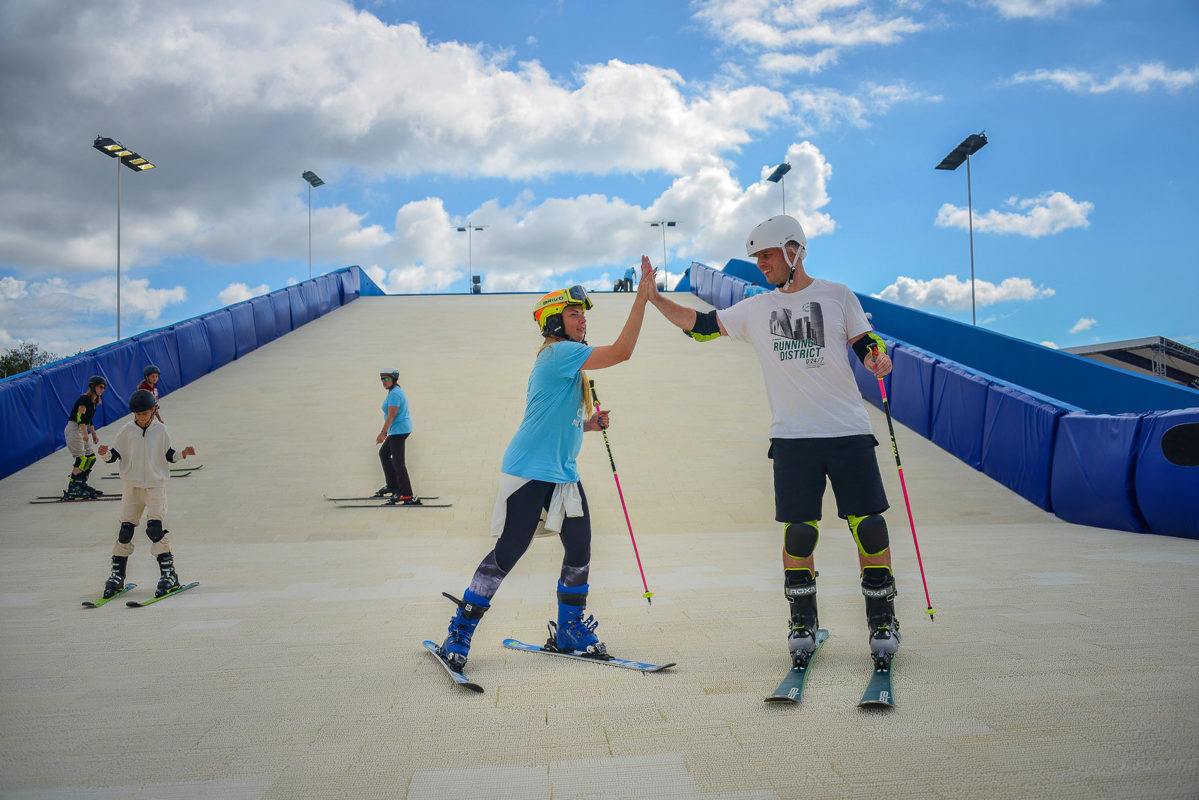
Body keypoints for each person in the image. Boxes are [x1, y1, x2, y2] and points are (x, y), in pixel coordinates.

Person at [643, 215, 898, 667]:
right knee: (799, 535)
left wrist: (877, 357)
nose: (760, 263)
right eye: (756, 257)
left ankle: (882, 621)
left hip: (848, 432)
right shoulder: (757, 308)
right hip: (793, 438)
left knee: (871, 529)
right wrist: (655, 299)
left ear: (794, 251)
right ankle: (802, 623)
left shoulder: (838, 296)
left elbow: (864, 341)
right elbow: (702, 325)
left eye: (766, 254)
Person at [435, 257, 655, 673]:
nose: (582, 321)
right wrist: (642, 297)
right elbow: (624, 353)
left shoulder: (568, 362)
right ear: (554, 320)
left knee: (580, 547)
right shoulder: (559, 355)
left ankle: (571, 628)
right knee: (508, 553)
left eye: (583, 316)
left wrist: (588, 425)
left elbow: (556, 417)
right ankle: (460, 630)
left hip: (562, 474)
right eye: (574, 314)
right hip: (529, 470)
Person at [96, 390, 196, 599]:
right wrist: (104, 453)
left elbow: (169, 455)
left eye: (145, 414)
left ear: (153, 411)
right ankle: (117, 575)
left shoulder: (160, 430)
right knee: (125, 531)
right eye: (138, 414)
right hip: (132, 487)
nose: (141, 418)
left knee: (154, 529)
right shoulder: (126, 431)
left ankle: (169, 574)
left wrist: (183, 454)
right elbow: (114, 455)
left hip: (154, 486)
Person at [374, 367, 418, 505]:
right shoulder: (394, 391)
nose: (383, 381)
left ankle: (406, 494)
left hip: (399, 431)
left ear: (394, 379)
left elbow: (391, 415)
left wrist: (383, 433)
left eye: (386, 379)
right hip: (397, 430)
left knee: (399, 463)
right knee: (384, 454)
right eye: (382, 379)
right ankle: (393, 485)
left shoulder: (395, 394)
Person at [62, 375, 107, 498]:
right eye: (100, 387)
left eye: (104, 388)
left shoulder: (93, 402)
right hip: (74, 428)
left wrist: (93, 433)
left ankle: (81, 483)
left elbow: (89, 420)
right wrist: (85, 432)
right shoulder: (85, 399)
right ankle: (73, 486)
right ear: (93, 387)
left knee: (91, 457)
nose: (102, 390)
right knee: (81, 459)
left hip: (81, 429)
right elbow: (80, 417)